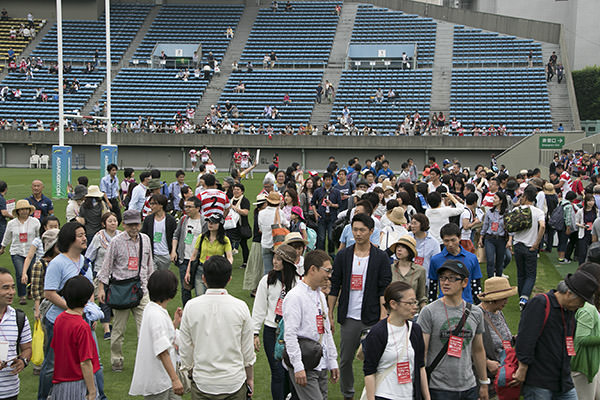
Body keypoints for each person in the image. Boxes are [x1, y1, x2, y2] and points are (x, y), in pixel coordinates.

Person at [329, 213, 392, 400]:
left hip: (372, 316)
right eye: (355, 230)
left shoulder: (380, 257)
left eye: (362, 230)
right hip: (349, 317)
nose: (358, 234)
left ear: (371, 231)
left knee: (375, 360)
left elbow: (384, 289)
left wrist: (383, 316)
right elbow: (335, 285)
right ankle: (348, 394)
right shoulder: (343, 255)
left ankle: (375, 394)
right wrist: (330, 313)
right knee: (345, 360)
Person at [513, 270, 599, 399]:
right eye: (581, 301)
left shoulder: (570, 311)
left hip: (563, 380)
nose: (581, 306)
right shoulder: (540, 303)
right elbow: (526, 338)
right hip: (539, 381)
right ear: (569, 293)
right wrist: (522, 368)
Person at [179, 256, 256, 399]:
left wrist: (190, 372)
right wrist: (250, 377)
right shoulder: (240, 307)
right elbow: (247, 350)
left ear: (203, 278)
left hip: (206, 382)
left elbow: (185, 347)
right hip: (231, 381)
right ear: (229, 279)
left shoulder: (191, 306)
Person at [37, 222, 96, 400]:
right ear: (69, 239)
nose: (84, 238)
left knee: (89, 360)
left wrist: (91, 311)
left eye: (84, 234)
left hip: (82, 319)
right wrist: (73, 309)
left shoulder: (85, 262)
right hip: (58, 320)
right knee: (52, 364)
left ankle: (92, 393)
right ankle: (44, 396)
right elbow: (49, 293)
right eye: (80, 235)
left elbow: (89, 290)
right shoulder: (57, 263)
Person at [418, 260, 489, 400]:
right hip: (438, 388)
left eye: (451, 278)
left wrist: (484, 383)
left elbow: (478, 350)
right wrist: (423, 390)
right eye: (443, 278)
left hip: (469, 387)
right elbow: (422, 353)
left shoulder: (476, 313)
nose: (445, 283)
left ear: (464, 282)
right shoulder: (428, 312)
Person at [97, 209, 153, 373]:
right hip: (121, 290)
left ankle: (145, 361)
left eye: (136, 224)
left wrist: (151, 286)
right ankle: (117, 360)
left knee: (145, 329)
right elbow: (106, 266)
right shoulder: (116, 242)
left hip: (142, 290)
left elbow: (149, 265)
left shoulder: (145, 239)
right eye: (130, 225)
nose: (134, 227)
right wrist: (101, 288)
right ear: (124, 225)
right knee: (118, 330)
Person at [282, 250, 339, 399]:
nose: (329, 275)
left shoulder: (320, 295)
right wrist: (298, 366)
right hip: (305, 363)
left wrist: (332, 361)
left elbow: (326, 331)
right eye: (327, 270)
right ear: (313, 269)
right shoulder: (295, 297)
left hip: (321, 362)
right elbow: (290, 334)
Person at [361, 281, 430, 400]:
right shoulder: (378, 332)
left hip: (409, 396)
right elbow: (369, 372)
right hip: (384, 395)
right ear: (393, 304)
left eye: (415, 302)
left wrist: (427, 398)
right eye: (410, 303)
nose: (415, 307)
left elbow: (420, 366)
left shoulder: (415, 330)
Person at [251, 245, 300, 400]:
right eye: (274, 258)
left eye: (279, 259)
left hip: (292, 332)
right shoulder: (267, 280)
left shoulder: (298, 282)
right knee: (277, 371)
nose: (274, 261)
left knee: (289, 371)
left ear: (287, 263)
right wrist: (255, 332)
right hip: (271, 331)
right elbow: (259, 308)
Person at [129, 270, 184, 399]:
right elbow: (162, 350)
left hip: (164, 378)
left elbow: (162, 335)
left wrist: (175, 323)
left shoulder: (152, 308)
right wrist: (175, 379)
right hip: (158, 381)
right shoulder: (156, 315)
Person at [50, 275, 99, 400]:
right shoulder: (82, 326)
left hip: (60, 382)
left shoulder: (59, 319)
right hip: (78, 382)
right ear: (86, 300)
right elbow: (85, 362)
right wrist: (92, 391)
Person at [477, 277, 518, 398]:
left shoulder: (498, 312)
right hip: (484, 378)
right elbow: (468, 347)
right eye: (504, 298)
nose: (507, 301)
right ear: (493, 299)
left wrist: (516, 339)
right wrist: (486, 362)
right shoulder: (476, 315)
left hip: (502, 373)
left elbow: (504, 340)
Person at [509, 187, 545, 310]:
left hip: (518, 245)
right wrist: (537, 242)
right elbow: (542, 226)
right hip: (530, 246)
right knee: (530, 275)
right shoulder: (538, 212)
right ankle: (524, 298)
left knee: (521, 274)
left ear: (525, 197)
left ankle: (522, 298)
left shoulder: (516, 210)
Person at [428, 223, 483, 304]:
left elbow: (476, 284)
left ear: (459, 238)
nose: (450, 244)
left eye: (453, 240)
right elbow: (433, 286)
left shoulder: (471, 258)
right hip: (444, 304)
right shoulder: (436, 260)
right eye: (446, 241)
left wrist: (478, 305)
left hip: (466, 303)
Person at [0, 267, 33, 400]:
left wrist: (23, 361)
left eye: (13, 287)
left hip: (10, 392)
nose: (12, 292)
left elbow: (27, 348)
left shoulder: (19, 318)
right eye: (5, 288)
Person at [85, 212, 118, 340]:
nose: (113, 223)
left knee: (114, 300)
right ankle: (106, 329)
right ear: (104, 224)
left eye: (115, 221)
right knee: (104, 300)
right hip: (101, 273)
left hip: (117, 274)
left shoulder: (121, 236)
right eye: (110, 221)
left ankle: (110, 322)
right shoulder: (98, 237)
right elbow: (89, 255)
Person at [0, 199, 40, 305]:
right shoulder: (12, 223)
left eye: (26, 209)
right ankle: (22, 295)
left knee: (31, 272)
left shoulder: (35, 222)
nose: (24, 211)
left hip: (31, 252)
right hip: (17, 251)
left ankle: (30, 290)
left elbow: (38, 236)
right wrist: (3, 247)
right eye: (21, 209)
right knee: (20, 272)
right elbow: (7, 236)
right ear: (18, 211)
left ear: (29, 210)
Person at [184, 214, 233, 297]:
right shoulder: (202, 237)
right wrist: (188, 272)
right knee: (200, 295)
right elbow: (193, 256)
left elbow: (229, 257)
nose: (210, 224)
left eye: (214, 222)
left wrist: (226, 269)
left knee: (214, 296)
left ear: (220, 224)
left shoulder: (225, 240)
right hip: (201, 269)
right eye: (209, 222)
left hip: (216, 271)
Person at [571, 263, 600, 399]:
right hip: (583, 364)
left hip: (591, 362)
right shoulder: (587, 308)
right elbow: (581, 339)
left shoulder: (587, 304)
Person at [171, 197, 204, 306]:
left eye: (190, 207)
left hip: (199, 260)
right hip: (184, 259)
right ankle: (186, 310)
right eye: (186, 207)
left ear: (198, 208)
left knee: (200, 289)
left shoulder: (204, 221)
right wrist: (173, 251)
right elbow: (176, 235)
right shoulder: (183, 220)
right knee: (185, 289)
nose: (187, 209)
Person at [389, 235, 428, 311]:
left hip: (412, 312)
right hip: (393, 311)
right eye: (398, 247)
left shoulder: (420, 270)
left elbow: (421, 297)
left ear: (410, 250)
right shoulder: (390, 268)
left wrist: (424, 312)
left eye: (403, 247)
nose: (399, 250)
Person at [141, 194, 177, 271]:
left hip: (165, 254)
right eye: (150, 204)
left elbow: (175, 236)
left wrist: (173, 251)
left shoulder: (170, 220)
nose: (151, 206)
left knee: (162, 277)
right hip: (152, 255)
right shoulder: (148, 219)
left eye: (153, 204)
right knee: (152, 275)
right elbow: (143, 235)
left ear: (161, 205)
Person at [479, 192, 509, 278]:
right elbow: (485, 225)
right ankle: (490, 278)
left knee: (500, 261)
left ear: (501, 201)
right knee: (490, 260)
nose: (493, 200)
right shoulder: (489, 212)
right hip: (490, 238)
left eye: (495, 198)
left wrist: (510, 240)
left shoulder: (507, 213)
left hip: (501, 239)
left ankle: (498, 278)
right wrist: (481, 237)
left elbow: (510, 228)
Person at [312, 172, 341, 256]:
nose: (328, 181)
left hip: (332, 217)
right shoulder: (318, 191)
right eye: (326, 180)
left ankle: (331, 253)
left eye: (330, 180)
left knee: (331, 237)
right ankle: (322, 254)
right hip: (321, 216)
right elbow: (313, 203)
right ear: (323, 180)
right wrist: (315, 213)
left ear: (332, 180)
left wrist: (332, 205)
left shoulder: (336, 192)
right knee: (321, 237)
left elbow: (339, 205)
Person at [243, 194, 267, 296]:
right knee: (258, 266)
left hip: (259, 242)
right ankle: (255, 288)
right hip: (259, 242)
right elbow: (260, 230)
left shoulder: (259, 213)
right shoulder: (260, 215)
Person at [258, 192, 287, 274]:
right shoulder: (280, 213)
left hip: (265, 243)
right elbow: (286, 224)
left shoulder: (261, 213)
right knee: (279, 270)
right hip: (278, 243)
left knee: (267, 271)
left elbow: (260, 228)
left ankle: (267, 282)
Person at [227, 183, 251, 268]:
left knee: (243, 244)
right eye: (234, 189)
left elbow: (245, 212)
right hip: (231, 226)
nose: (236, 191)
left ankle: (245, 262)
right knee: (228, 244)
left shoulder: (244, 200)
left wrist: (234, 208)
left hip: (241, 226)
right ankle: (227, 261)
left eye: (238, 189)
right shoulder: (231, 200)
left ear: (242, 191)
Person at [575, 194, 598, 265]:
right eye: (589, 201)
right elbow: (576, 222)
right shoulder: (581, 211)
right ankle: (581, 266)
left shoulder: (596, 211)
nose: (591, 202)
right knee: (582, 253)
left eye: (593, 201)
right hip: (584, 234)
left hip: (594, 234)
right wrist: (582, 225)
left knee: (594, 252)